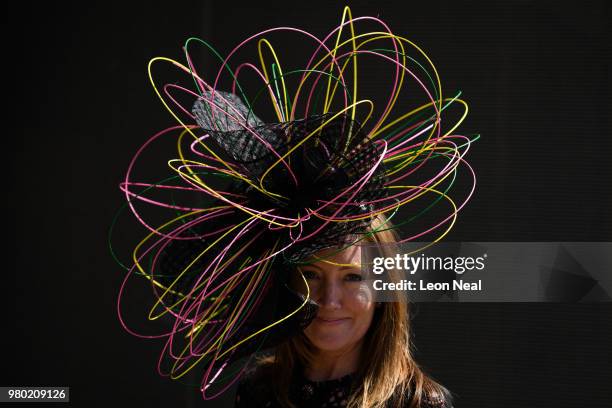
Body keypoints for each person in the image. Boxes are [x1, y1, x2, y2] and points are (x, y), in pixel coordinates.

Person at [234, 214, 453, 408]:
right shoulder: (258, 391)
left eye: (352, 277)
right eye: (311, 274)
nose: (329, 300)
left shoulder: (417, 402)